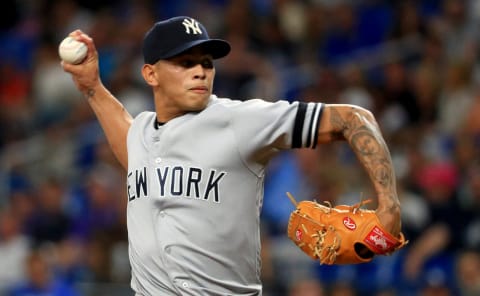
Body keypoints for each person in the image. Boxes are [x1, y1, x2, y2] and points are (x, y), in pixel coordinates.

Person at [61, 16, 402, 296]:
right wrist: (92, 87)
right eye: (185, 62)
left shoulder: (239, 120)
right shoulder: (143, 134)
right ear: (151, 74)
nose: (200, 71)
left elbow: (354, 119)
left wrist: (389, 206)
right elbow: (128, 136)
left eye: (206, 63)